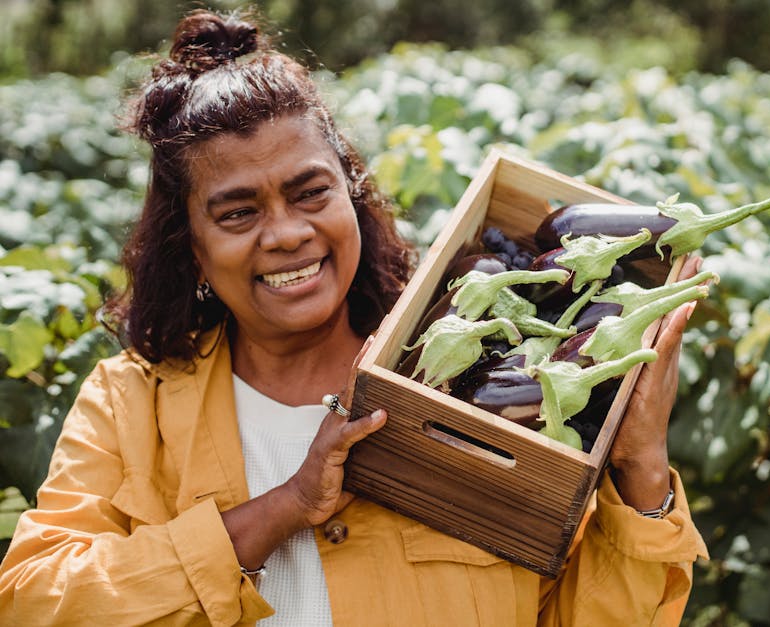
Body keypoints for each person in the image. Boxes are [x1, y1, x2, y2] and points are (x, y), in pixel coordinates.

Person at [0, 9, 707, 626]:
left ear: (352, 197)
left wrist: (640, 465)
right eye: (239, 211)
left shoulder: (475, 377)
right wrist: (281, 508)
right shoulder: (130, 405)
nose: (285, 234)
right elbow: (33, 601)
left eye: (310, 192)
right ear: (190, 245)